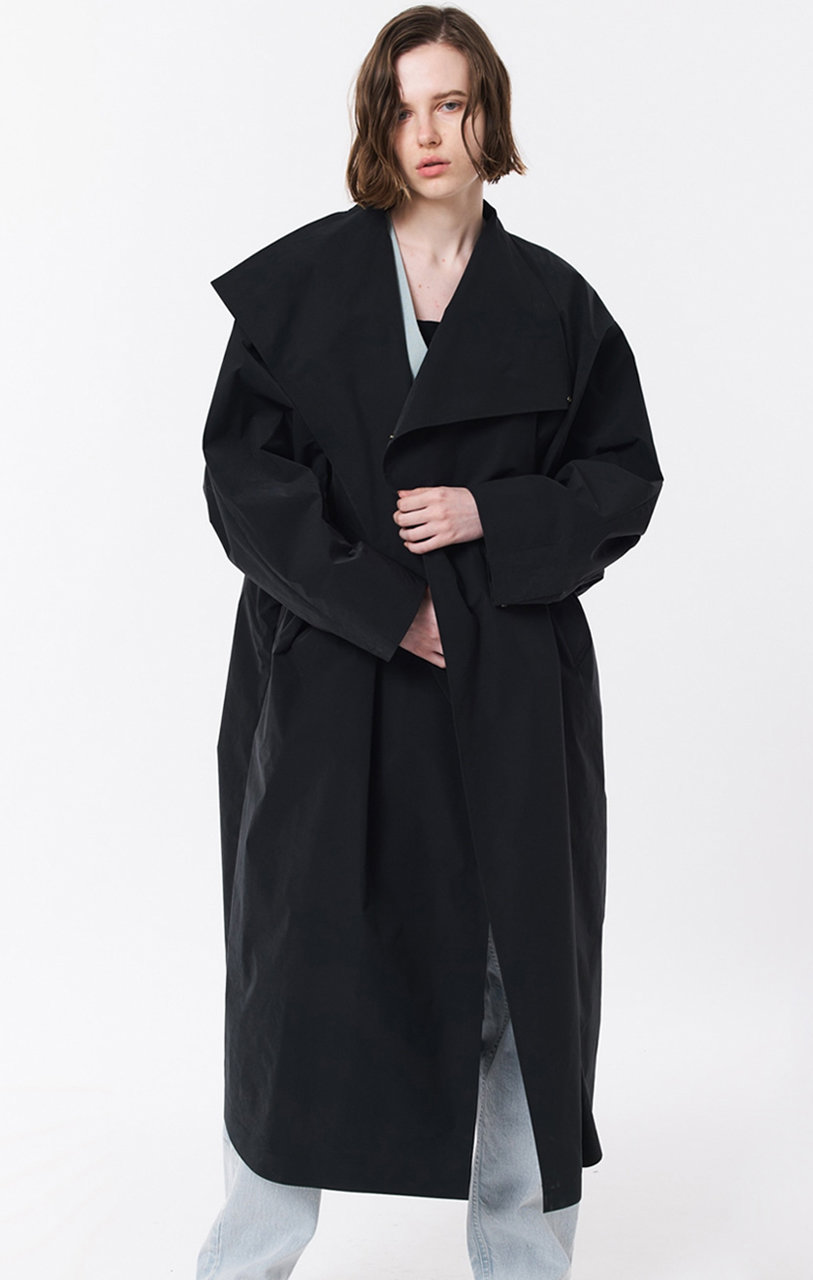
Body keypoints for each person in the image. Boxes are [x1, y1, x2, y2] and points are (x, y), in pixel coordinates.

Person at [194, 6, 663, 1278]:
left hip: (501, 694)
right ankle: (242, 1259)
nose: (429, 132)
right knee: (292, 984)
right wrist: (379, 602)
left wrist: (487, 513)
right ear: (376, 124)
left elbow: (622, 481)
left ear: (487, 112)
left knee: (518, 978)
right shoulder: (302, 286)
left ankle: (522, 1259)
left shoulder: (556, 306)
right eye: (404, 107)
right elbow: (243, 484)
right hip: (331, 693)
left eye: (451, 102)